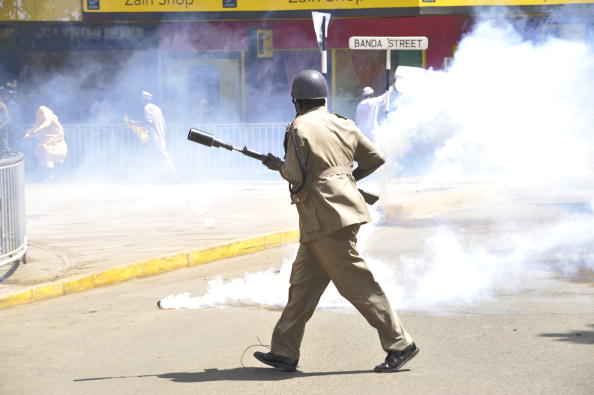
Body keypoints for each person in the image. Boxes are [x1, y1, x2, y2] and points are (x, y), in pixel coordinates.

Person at [255, 69, 418, 373]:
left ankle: (400, 343)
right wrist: (346, 179)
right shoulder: (344, 123)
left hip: (324, 217)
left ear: (296, 101)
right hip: (336, 214)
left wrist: (277, 166)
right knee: (302, 288)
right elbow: (374, 159)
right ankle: (284, 351)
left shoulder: (297, 127)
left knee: (358, 284)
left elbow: (295, 175)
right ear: (323, 98)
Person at [127, 91, 178, 181]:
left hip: (154, 136)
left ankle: (173, 176)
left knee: (163, 155)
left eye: (141, 99)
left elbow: (149, 122)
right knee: (149, 155)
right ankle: (150, 177)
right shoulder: (156, 108)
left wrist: (134, 123)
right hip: (159, 134)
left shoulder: (147, 108)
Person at [24, 105, 68, 178]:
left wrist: (35, 131)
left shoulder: (43, 109)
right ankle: (47, 174)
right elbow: (36, 126)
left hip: (55, 138)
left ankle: (50, 175)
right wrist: (29, 133)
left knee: (48, 154)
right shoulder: (39, 115)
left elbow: (46, 123)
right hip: (48, 139)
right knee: (43, 153)